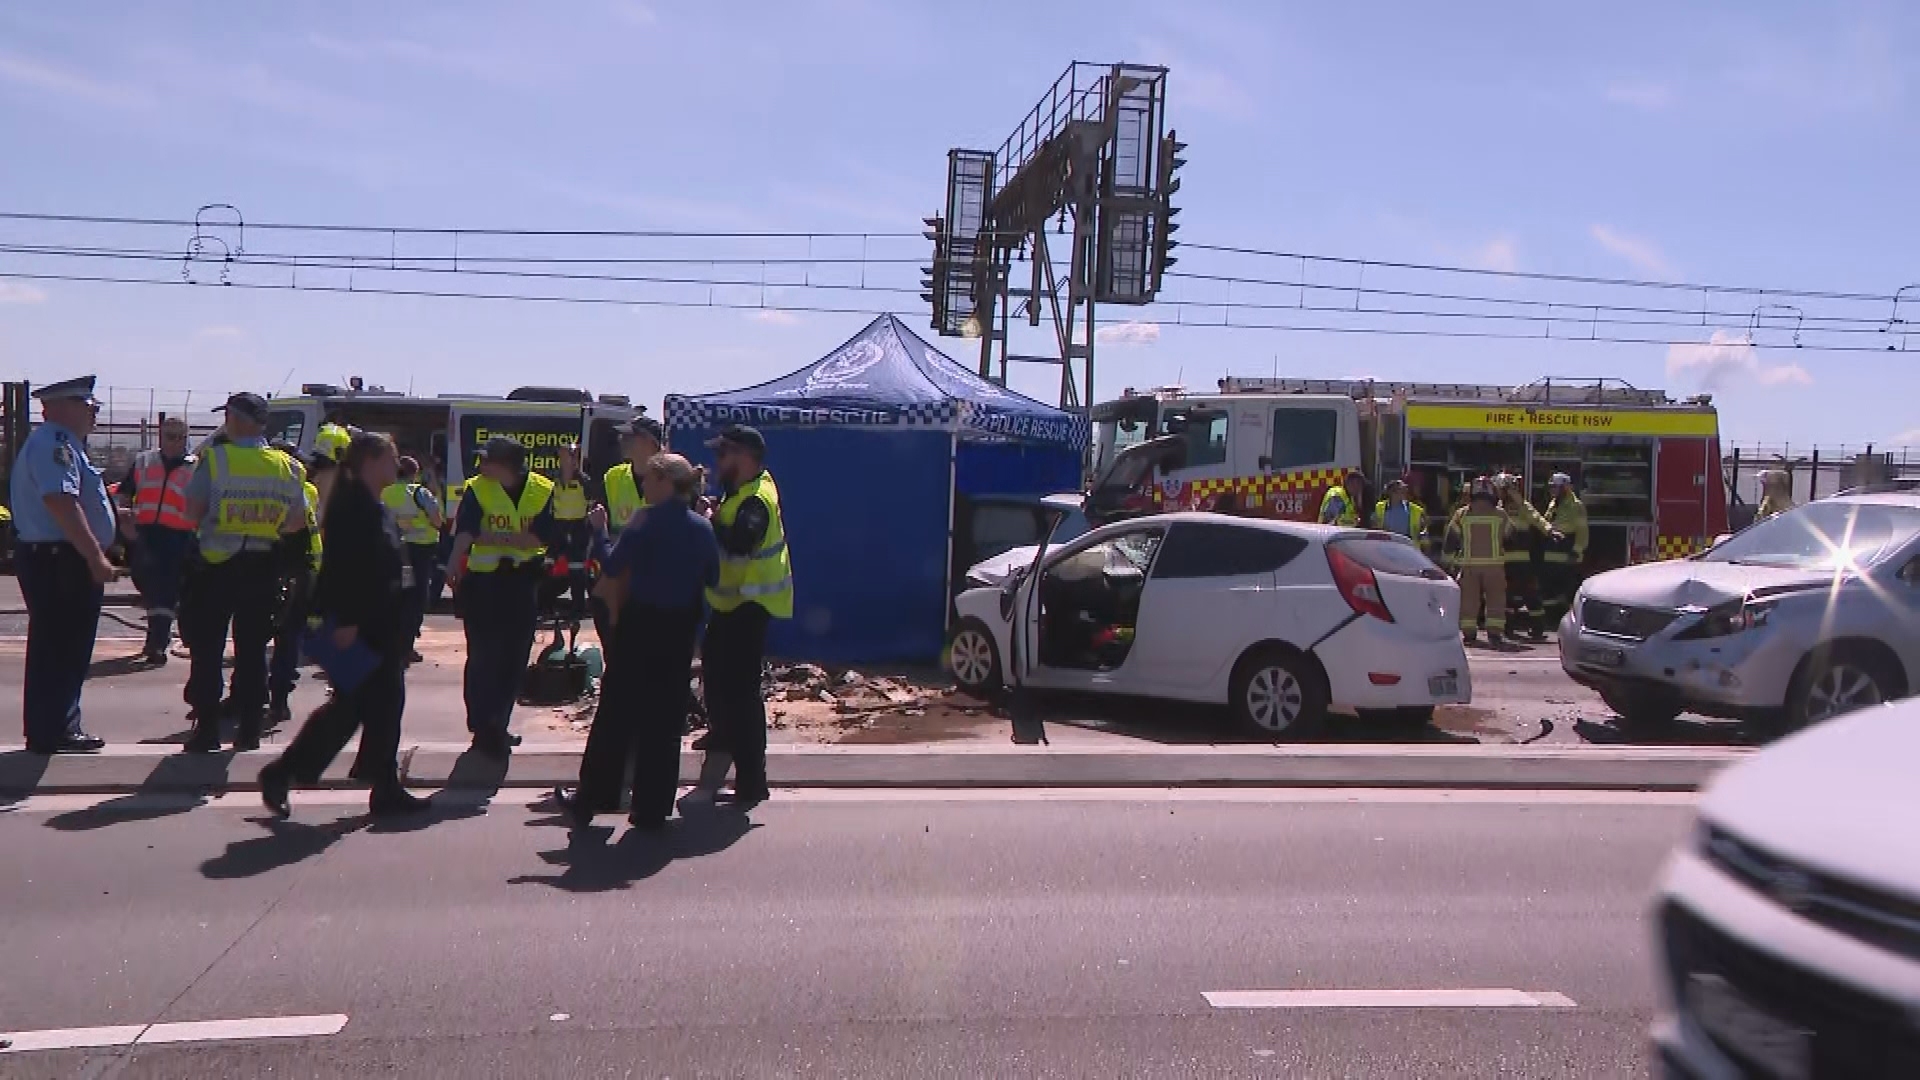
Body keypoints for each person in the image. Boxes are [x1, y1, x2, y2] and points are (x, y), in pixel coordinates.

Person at [258, 432, 429, 818]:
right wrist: (348, 621)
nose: (397, 464)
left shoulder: (374, 503)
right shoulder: (352, 507)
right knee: (352, 709)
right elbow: (344, 568)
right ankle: (283, 773)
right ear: (370, 461)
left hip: (381, 624)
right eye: (392, 457)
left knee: (380, 705)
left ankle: (380, 783)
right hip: (362, 625)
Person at [555, 453, 719, 829]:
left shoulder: (645, 519)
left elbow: (612, 565)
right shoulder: (701, 528)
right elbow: (712, 578)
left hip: (640, 624)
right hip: (679, 630)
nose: (642, 484)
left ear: (663, 481)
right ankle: (653, 807)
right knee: (664, 720)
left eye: (647, 478)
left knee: (616, 713)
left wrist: (598, 531)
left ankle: (593, 797)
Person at [179, 392, 312, 753]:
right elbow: (297, 521)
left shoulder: (216, 460)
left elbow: (191, 512)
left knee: (208, 650)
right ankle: (249, 731)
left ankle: (206, 731)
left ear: (235, 419)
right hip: (262, 565)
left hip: (216, 566)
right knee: (253, 652)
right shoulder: (288, 466)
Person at [10, 376, 123, 754]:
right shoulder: (55, 443)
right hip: (61, 559)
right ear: (62, 407)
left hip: (57, 556)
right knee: (62, 646)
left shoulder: (64, 444)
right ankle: (54, 729)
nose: (94, 413)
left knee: (59, 645)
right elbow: (61, 501)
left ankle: (55, 726)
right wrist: (94, 556)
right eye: (89, 405)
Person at [694, 424, 793, 807]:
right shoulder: (738, 494)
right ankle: (723, 740)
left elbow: (739, 547)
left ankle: (752, 781)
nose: (717, 463)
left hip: (750, 606)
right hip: (730, 605)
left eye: (724, 454)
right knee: (717, 682)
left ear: (745, 457)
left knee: (742, 696)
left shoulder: (757, 500)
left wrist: (709, 523)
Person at [445, 436, 560, 758]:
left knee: (513, 658)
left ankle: (498, 723)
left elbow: (539, 537)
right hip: (483, 583)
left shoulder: (541, 489)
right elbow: (466, 530)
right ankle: (483, 726)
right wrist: (455, 558)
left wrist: (492, 536)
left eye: (487, 460)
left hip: (521, 584)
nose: (480, 465)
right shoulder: (477, 487)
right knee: (483, 657)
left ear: (505, 464)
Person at [121, 416, 197, 663]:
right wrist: (126, 519)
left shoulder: (195, 466)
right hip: (145, 535)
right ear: (160, 436)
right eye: (170, 436)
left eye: (181, 437)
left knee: (164, 591)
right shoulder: (144, 461)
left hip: (178, 537)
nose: (176, 442)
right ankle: (160, 637)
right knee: (147, 586)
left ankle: (157, 644)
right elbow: (125, 493)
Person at [266, 443, 324, 727]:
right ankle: (277, 699)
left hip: (283, 568)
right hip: (301, 569)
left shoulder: (295, 490)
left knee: (270, 638)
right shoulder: (306, 489)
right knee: (287, 640)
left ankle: (270, 699)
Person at [381, 456, 445, 660]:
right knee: (415, 599)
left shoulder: (384, 491)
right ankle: (406, 646)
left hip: (391, 550)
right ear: (414, 474)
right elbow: (437, 521)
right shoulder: (419, 493)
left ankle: (388, 642)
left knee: (393, 597)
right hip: (419, 552)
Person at [1446, 477, 1510, 644]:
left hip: (1470, 565)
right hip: (1494, 567)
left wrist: (1449, 563)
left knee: (1469, 600)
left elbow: (1450, 539)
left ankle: (1469, 633)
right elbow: (1512, 537)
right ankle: (1494, 633)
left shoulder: (1462, 513)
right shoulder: (1500, 514)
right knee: (1495, 599)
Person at [1497, 473, 1556, 640]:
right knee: (1509, 595)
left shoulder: (1520, 506)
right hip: (1507, 558)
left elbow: (1536, 518)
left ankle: (1537, 627)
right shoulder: (1499, 507)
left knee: (1527, 592)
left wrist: (1550, 531)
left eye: (1500, 489)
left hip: (1519, 559)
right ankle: (1509, 628)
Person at [1540, 472, 1589, 623]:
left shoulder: (1576, 505)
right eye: (1551, 487)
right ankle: (1552, 618)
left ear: (1565, 488)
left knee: (1564, 592)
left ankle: (1560, 620)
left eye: (1555, 487)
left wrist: (1576, 552)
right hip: (1552, 555)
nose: (1552, 490)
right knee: (1550, 591)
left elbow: (1582, 531)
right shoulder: (1554, 503)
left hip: (1567, 556)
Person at [1371, 478, 1427, 549]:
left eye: (1405, 489)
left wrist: (1423, 535)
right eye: (1401, 489)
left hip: (1407, 546)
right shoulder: (1380, 507)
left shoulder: (1415, 509)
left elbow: (1423, 529)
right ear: (1391, 492)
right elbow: (1374, 526)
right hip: (1386, 545)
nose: (1405, 491)